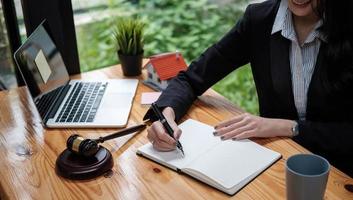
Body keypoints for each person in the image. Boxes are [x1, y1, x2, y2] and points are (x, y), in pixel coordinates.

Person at [143, 0, 353, 177]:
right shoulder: (259, 20)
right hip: (275, 163)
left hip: (340, 172)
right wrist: (166, 116)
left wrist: (289, 127)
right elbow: (192, 78)